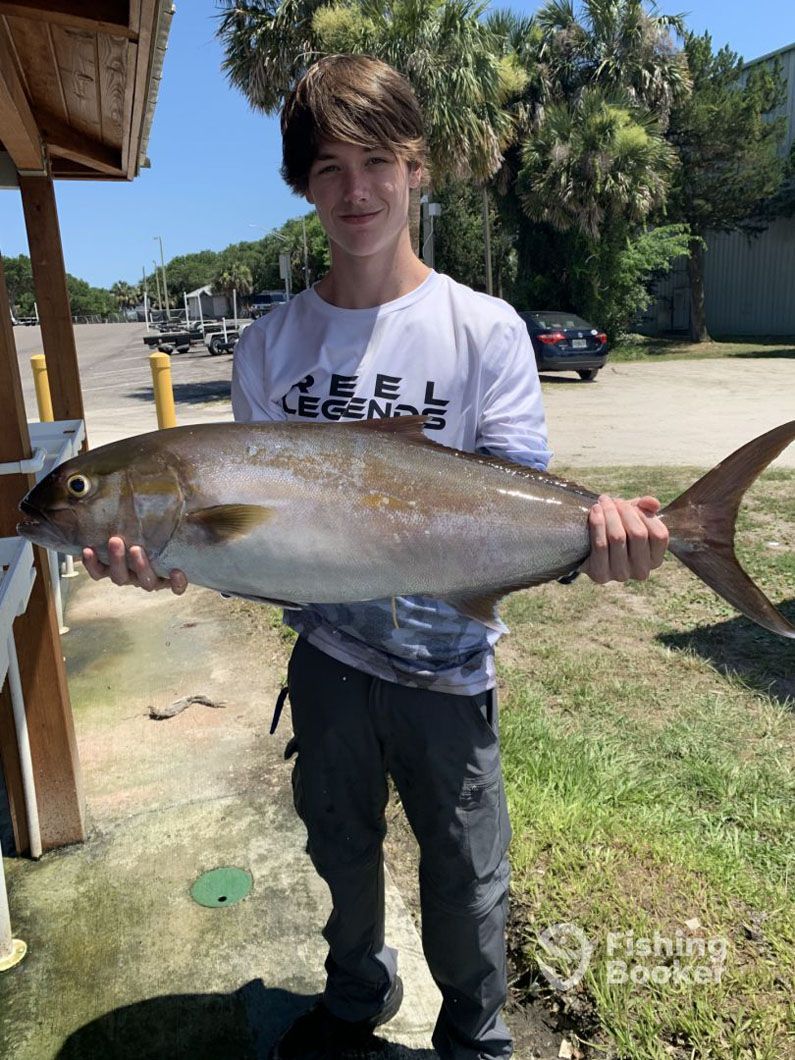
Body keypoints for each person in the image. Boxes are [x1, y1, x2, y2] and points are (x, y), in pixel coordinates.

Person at [84, 55, 668, 1060]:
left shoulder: (483, 330)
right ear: (303, 186)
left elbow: (513, 504)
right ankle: (355, 999)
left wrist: (592, 544)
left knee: (464, 872)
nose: (355, 191)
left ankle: (476, 1039)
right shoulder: (272, 342)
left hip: (451, 676)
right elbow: (264, 543)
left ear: (417, 167)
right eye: (327, 170)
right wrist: (174, 560)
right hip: (330, 665)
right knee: (339, 847)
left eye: (376, 163)